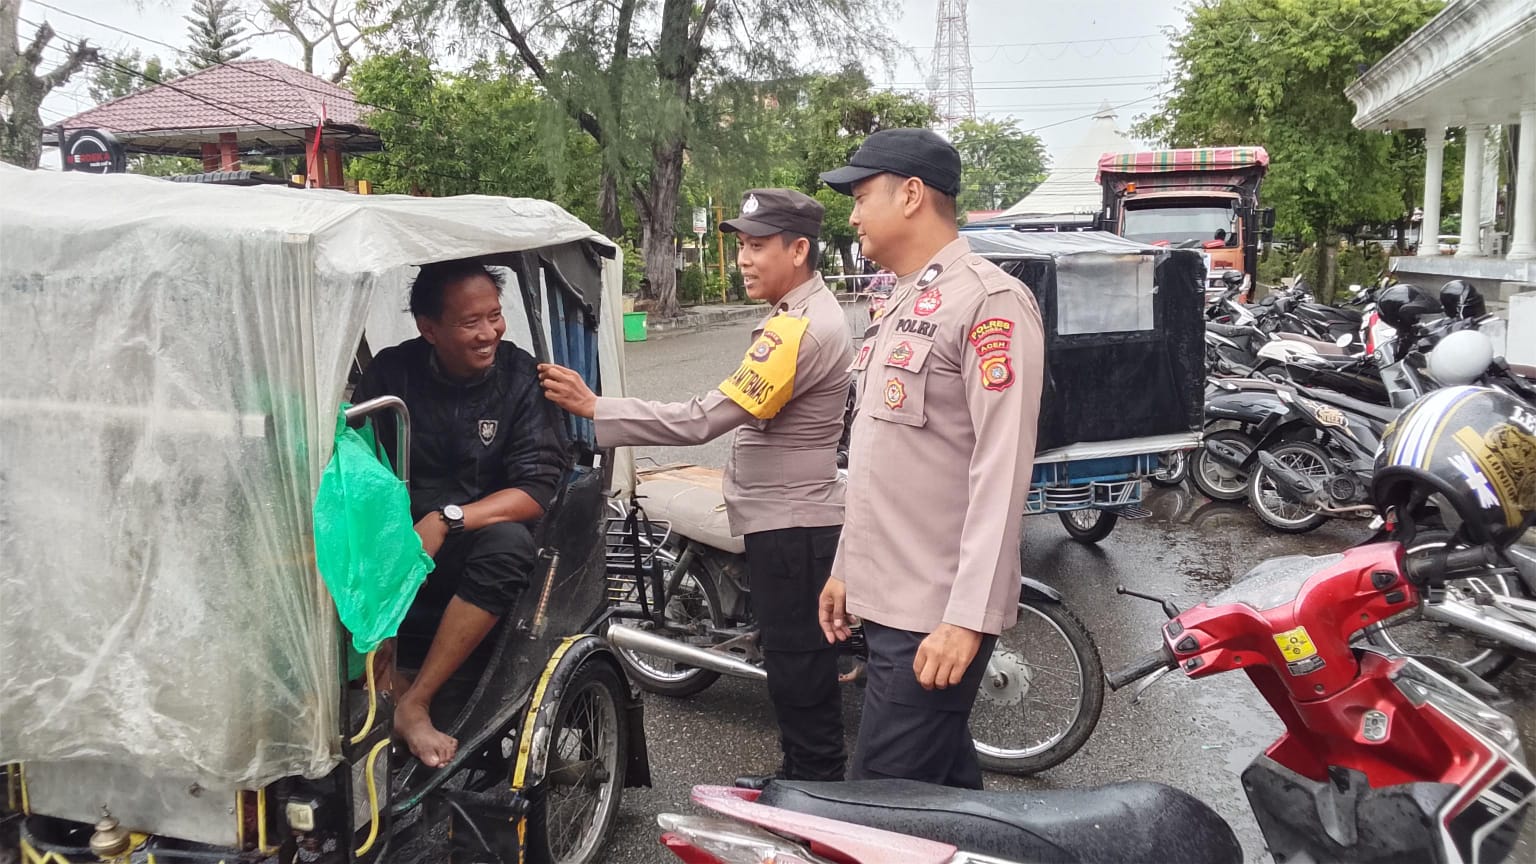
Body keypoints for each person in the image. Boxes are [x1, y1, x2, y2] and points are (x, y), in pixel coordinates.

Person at [539, 188, 854, 785]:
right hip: (791, 514)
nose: (743, 259)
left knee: (798, 667)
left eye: (758, 246)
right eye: (740, 245)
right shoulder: (805, 313)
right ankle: (807, 777)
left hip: (791, 523)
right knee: (796, 663)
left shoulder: (798, 330)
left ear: (800, 249)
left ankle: (815, 792)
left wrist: (596, 407)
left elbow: (702, 419)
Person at [816, 128, 1046, 789]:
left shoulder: (989, 302)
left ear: (911, 194)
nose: (853, 213)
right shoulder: (903, 298)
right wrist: (847, 569)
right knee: (943, 801)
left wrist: (966, 621)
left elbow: (1001, 476)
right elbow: (880, 460)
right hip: (889, 603)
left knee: (878, 811)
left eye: (861, 195)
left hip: (934, 619)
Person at [352, 260, 566, 768]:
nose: (489, 332)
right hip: (396, 540)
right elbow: (356, 465)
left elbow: (535, 489)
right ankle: (384, 683)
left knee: (511, 543)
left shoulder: (521, 379)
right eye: (471, 322)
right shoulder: (391, 372)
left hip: (474, 540)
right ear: (429, 329)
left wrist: (447, 520)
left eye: (494, 316)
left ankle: (417, 701)